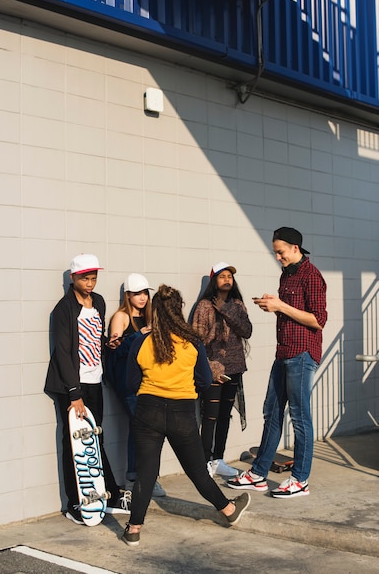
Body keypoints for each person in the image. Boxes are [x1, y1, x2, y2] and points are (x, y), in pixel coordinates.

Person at [121, 284, 251, 547]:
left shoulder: (141, 342)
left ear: (154, 311)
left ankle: (134, 529)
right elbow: (204, 381)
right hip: (181, 413)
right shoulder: (192, 343)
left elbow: (130, 384)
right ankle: (228, 510)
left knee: (146, 473)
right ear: (179, 310)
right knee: (197, 472)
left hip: (147, 412)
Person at [228, 228, 327, 498]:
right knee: (271, 412)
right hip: (283, 353)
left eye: (280, 252)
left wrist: (281, 306)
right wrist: (273, 304)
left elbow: (318, 320)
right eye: (275, 253)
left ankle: (300, 480)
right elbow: (288, 310)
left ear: (295, 248)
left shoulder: (312, 275)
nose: (278, 257)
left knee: (299, 416)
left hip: (302, 354)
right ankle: (259, 474)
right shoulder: (287, 274)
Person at [44, 253, 131, 524]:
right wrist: (74, 394)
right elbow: (62, 353)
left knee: (95, 439)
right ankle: (74, 503)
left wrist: (109, 344)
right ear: (73, 278)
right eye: (85, 278)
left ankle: (108, 493)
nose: (90, 282)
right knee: (74, 444)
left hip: (94, 380)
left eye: (94, 277)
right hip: (73, 385)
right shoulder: (63, 309)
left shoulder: (100, 302)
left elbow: (93, 338)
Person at [106, 273, 166, 497]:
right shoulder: (121, 317)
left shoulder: (150, 317)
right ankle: (140, 479)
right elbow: (115, 350)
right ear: (127, 295)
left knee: (141, 428)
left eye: (145, 293)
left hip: (149, 380)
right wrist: (137, 336)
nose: (142, 298)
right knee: (145, 427)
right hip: (129, 382)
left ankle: (138, 478)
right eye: (137, 293)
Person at [192, 262, 252, 479]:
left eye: (230, 276)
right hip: (213, 369)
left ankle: (218, 459)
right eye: (222, 276)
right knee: (210, 417)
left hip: (234, 368)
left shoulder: (236, 304)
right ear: (214, 281)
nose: (227, 279)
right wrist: (208, 368)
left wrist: (226, 310)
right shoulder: (204, 306)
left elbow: (247, 331)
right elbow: (195, 340)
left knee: (225, 416)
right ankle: (204, 462)